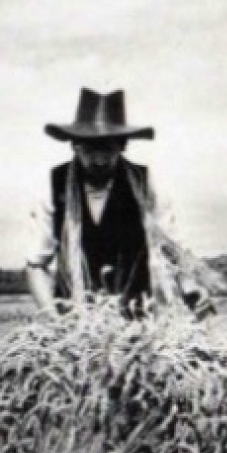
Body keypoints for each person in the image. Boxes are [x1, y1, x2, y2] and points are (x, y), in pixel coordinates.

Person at [25, 87, 210, 316]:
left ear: (122, 146)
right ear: (74, 145)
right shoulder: (53, 186)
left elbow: (174, 248)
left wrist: (190, 285)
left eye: (108, 150)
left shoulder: (147, 185)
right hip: (74, 322)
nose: (99, 160)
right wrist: (53, 318)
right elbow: (36, 265)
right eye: (90, 150)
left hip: (138, 323)